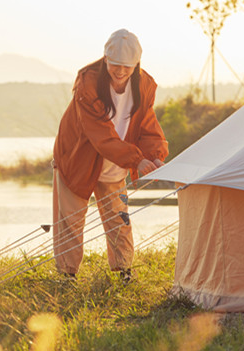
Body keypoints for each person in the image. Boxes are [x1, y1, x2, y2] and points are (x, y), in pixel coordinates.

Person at [52, 29, 168, 281]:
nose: (120, 72)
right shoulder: (88, 85)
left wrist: (156, 155)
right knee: (71, 219)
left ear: (136, 64)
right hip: (77, 157)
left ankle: (124, 271)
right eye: (115, 65)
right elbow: (101, 135)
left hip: (117, 160)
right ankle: (67, 276)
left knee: (119, 216)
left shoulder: (144, 85)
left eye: (127, 67)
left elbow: (148, 126)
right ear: (105, 60)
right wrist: (138, 160)